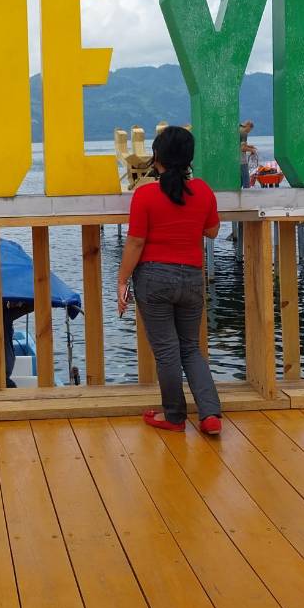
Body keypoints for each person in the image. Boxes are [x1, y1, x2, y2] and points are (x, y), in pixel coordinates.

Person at [117, 126, 222, 434]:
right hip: (190, 277)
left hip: (153, 278)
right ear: (189, 159)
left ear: (156, 157)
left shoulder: (145, 194)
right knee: (190, 348)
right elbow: (213, 231)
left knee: (166, 351)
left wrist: (122, 280)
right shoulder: (202, 191)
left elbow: (135, 242)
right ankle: (210, 415)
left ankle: (174, 416)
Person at [239, 119, 258, 188]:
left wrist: (249, 146)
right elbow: (242, 148)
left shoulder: (239, 129)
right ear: (248, 126)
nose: (249, 132)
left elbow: (239, 144)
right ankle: (247, 195)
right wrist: (252, 150)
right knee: (246, 178)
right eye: (250, 129)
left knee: (240, 179)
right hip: (241, 159)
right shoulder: (244, 132)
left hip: (234, 158)